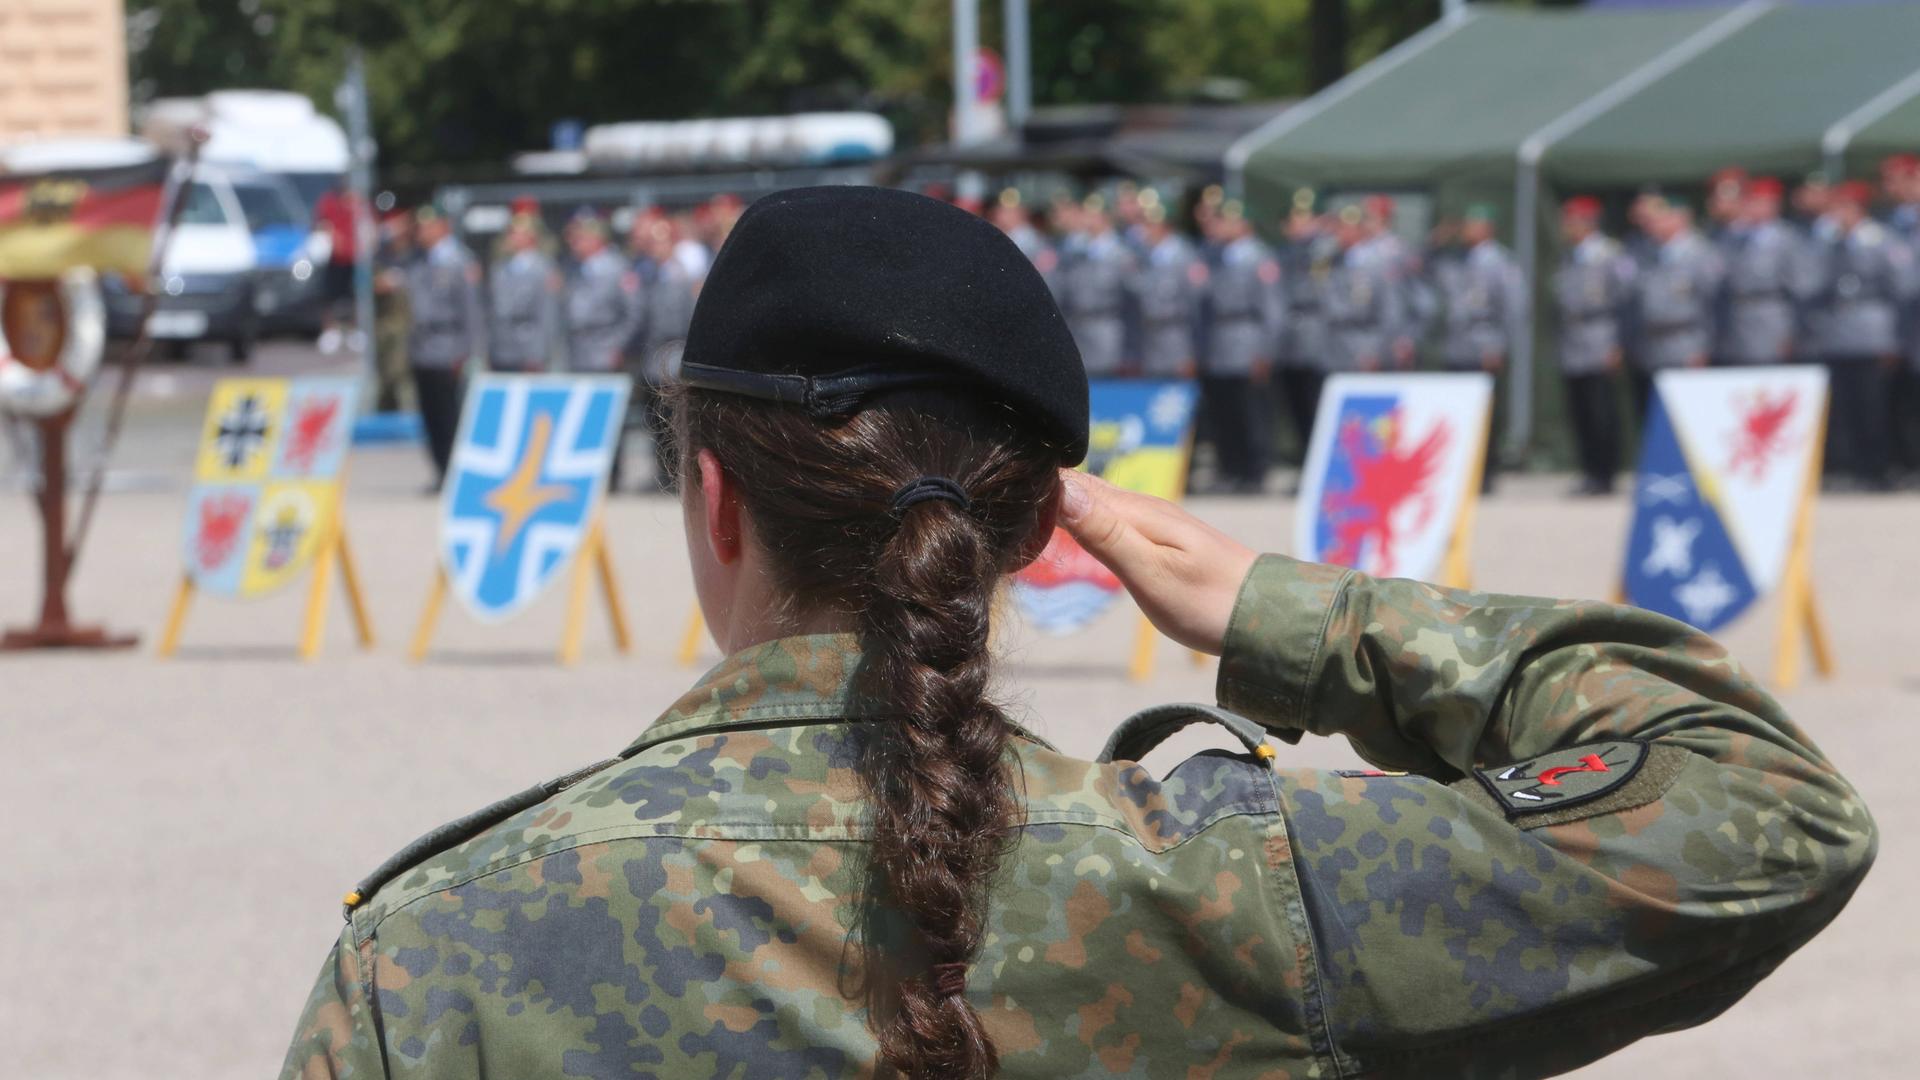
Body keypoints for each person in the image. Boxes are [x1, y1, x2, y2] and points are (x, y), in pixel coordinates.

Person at [280, 185, 1875, 1080]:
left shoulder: (433, 958)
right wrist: (1280, 611)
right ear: (1045, 536)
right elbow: (1762, 813)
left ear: (712, 498)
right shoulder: (1235, 886)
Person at [1810, 180, 1916, 491]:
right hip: (1838, 333)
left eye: (1842, 207)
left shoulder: (1880, 240)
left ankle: (1879, 468)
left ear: (1857, 208)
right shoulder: (1830, 243)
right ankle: (1855, 467)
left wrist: (1897, 337)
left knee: (1874, 406)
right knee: (1845, 406)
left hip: (1874, 330)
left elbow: (1902, 289)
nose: (1837, 215)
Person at [1436, 204, 1524, 492]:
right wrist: (1436, 241)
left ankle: (1486, 473)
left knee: (1485, 412)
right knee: (1458, 410)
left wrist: (1498, 346)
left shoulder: (1499, 261)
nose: (1466, 231)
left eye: (1472, 225)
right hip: (1457, 343)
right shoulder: (1456, 259)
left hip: (1484, 341)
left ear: (1487, 228)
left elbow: (1512, 308)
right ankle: (1462, 471)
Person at [1553, 196, 1636, 496]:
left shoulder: (1610, 255)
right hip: (1573, 339)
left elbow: (1625, 301)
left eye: (1572, 221)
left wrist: (1618, 343)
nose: (1567, 227)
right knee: (1581, 411)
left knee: (1603, 410)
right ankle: (1589, 471)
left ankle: (1606, 472)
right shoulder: (1569, 256)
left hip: (1601, 334)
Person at [1200, 200, 1283, 493]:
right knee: (1226, 411)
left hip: (1247, 338)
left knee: (1251, 411)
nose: (1220, 226)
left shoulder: (1258, 258)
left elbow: (1272, 310)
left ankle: (1256, 470)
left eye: (1228, 221)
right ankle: (1232, 469)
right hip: (1220, 341)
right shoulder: (1218, 256)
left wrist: (1265, 352)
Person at [403, 206, 484, 489]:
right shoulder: (419, 260)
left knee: (451, 415)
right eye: (420, 227)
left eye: (429, 226)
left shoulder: (458, 261)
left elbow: (470, 311)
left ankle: (457, 472)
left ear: (443, 227)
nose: (422, 232)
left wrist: (468, 352)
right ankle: (441, 470)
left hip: (449, 344)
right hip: (423, 346)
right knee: (431, 415)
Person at [561, 209, 643, 485]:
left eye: (580, 237)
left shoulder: (616, 268)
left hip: (605, 350)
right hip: (580, 351)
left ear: (596, 238)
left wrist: (618, 347)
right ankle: (590, 473)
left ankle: (612, 475)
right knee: (584, 418)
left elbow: (632, 314)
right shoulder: (574, 268)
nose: (574, 243)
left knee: (609, 418)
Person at [1629, 201, 1723, 421]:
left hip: (1687, 343)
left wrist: (1704, 347)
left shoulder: (1700, 253)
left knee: (1690, 415)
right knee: (1657, 417)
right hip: (1653, 346)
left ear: (1679, 218)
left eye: (1660, 218)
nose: (1652, 225)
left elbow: (1713, 305)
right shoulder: (1648, 253)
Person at [1717, 177, 1813, 367]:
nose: (1749, 208)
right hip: (1739, 320)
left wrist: (1793, 332)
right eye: (1748, 202)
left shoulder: (1787, 238)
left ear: (1773, 205)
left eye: (1757, 202)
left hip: (1773, 317)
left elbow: (1801, 288)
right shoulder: (1734, 237)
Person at [631, 213, 697, 489]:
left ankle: (674, 475)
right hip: (650, 358)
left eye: (662, 243)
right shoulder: (647, 276)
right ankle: (661, 473)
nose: (657, 249)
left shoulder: (681, 276)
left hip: (672, 356)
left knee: (672, 421)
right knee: (653, 419)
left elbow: (684, 321)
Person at [1277, 190, 1336, 459]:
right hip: (1292, 335)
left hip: (1320, 333)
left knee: (1319, 404)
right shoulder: (1287, 251)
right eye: (1295, 218)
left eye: (1305, 218)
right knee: (1296, 403)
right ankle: (1305, 461)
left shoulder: (1327, 250)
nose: (1298, 224)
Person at [1057, 194, 1136, 378]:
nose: (1086, 219)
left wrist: (1131, 348)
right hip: (1079, 327)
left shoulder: (1121, 253)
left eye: (1092, 214)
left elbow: (1132, 305)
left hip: (1108, 328)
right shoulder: (1077, 252)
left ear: (1105, 218)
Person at [1325, 204, 1403, 376]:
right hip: (1337, 344)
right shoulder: (1334, 260)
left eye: (1347, 228)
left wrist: (1377, 351)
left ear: (1360, 230)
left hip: (1366, 339)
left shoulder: (1377, 262)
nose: (1340, 233)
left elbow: (1389, 310)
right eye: (1338, 228)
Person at [1133, 201, 1205, 380]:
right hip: (1150, 341)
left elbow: (1196, 308)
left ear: (1166, 226)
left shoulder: (1185, 257)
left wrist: (1193, 354)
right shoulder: (1143, 257)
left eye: (1150, 224)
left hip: (1178, 340)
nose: (1144, 231)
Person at [486, 212, 560, 373]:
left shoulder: (544, 269)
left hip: (529, 346)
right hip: (502, 347)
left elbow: (547, 314)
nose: (511, 238)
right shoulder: (500, 268)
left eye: (516, 233)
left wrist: (539, 354)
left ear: (531, 237)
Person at [369, 206, 417, 413]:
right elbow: (369, 285)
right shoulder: (381, 256)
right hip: (387, 324)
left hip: (411, 323)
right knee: (387, 375)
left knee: (405, 375)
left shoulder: (416, 254)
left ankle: (410, 413)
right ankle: (386, 411)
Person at [312, 179, 362, 356]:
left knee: (355, 294)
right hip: (333, 259)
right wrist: (333, 236)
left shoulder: (358, 203)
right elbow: (322, 224)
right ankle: (330, 330)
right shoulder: (328, 201)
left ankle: (353, 330)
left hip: (355, 257)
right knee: (330, 295)